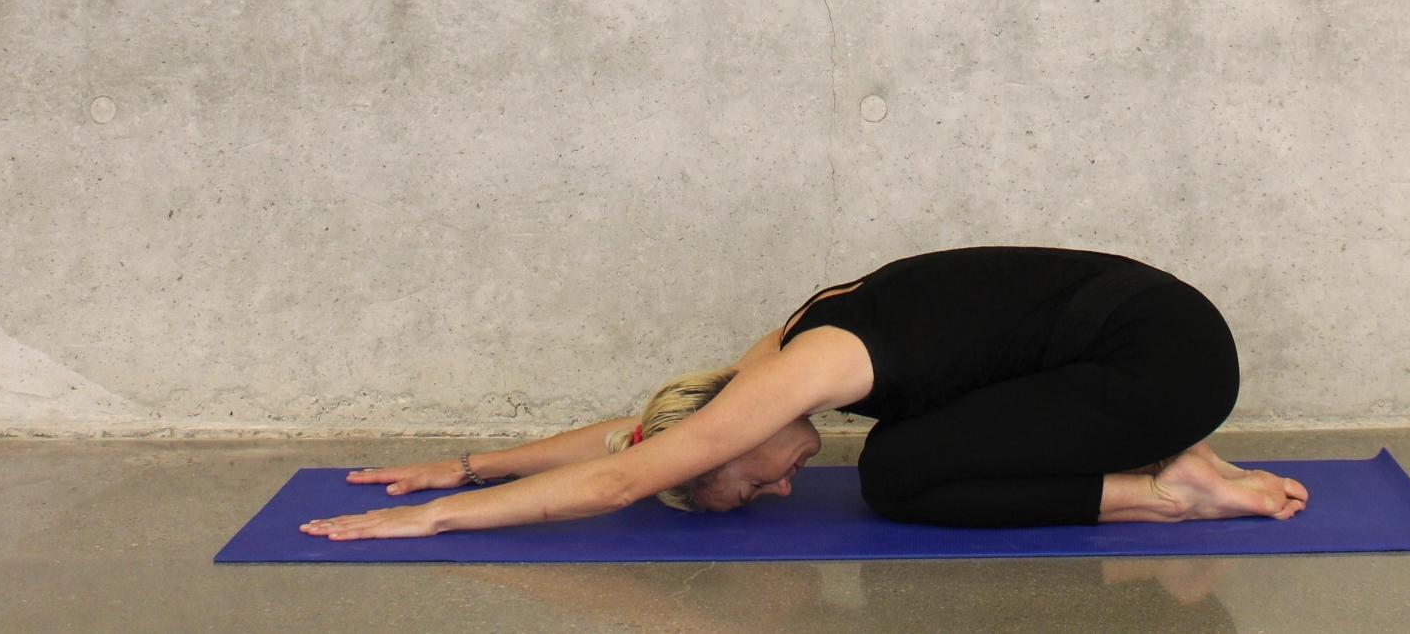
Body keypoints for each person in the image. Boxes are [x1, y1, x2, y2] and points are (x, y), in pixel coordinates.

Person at [301, 245, 1309, 540]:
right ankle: (1164, 454)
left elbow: (622, 481)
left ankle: (1167, 488)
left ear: (727, 433)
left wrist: (436, 520)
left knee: (899, 473)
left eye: (745, 483)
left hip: (1163, 363)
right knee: (921, 435)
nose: (781, 488)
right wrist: (473, 462)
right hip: (1154, 336)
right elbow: (642, 439)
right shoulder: (775, 358)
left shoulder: (807, 371)